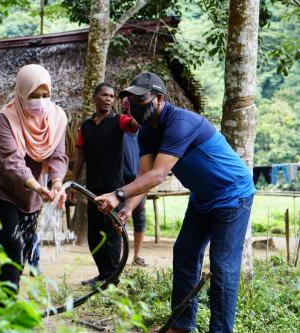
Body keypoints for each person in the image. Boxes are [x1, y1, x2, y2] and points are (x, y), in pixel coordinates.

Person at [96, 72, 255, 333]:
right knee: (184, 253)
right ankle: (181, 326)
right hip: (203, 198)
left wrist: (117, 195)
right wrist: (126, 209)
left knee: (222, 266)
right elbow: (144, 177)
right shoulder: (147, 132)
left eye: (140, 99)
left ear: (159, 98)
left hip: (232, 196)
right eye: (130, 100)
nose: (134, 105)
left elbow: (158, 175)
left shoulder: (181, 122)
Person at [0, 64, 68, 292]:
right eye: (34, 95)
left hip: (29, 192)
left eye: (46, 95)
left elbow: (59, 156)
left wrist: (56, 184)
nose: (41, 100)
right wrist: (37, 187)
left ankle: (4, 302)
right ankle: (6, 309)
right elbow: (12, 162)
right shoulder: (6, 119)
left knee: (22, 249)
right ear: (22, 93)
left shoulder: (57, 118)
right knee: (12, 245)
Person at [69, 82, 138, 286]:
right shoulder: (86, 126)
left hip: (114, 188)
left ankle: (112, 277)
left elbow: (135, 124)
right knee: (94, 234)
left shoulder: (119, 121)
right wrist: (73, 183)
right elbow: (80, 155)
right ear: (95, 98)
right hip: (92, 188)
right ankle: (103, 274)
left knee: (111, 233)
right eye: (105, 95)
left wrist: (138, 109)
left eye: (111, 96)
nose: (109, 99)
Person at [121, 97, 147, 266]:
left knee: (140, 216)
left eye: (129, 107)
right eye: (124, 108)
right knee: (118, 216)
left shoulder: (144, 131)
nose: (126, 110)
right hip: (120, 179)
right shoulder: (119, 128)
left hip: (139, 179)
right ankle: (117, 256)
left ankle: (136, 255)